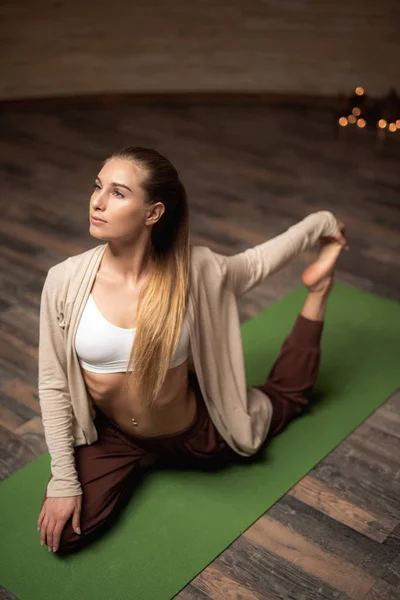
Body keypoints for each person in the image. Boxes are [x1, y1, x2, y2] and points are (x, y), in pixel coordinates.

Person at [37, 146, 348, 555]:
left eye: (118, 192)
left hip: (195, 431)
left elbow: (256, 264)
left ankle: (319, 291)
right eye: (98, 187)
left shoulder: (196, 271)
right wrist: (63, 479)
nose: (96, 201)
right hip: (115, 436)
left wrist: (320, 223)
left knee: (290, 397)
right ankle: (142, 458)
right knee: (67, 535)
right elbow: (54, 384)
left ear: (153, 212)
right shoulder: (64, 281)